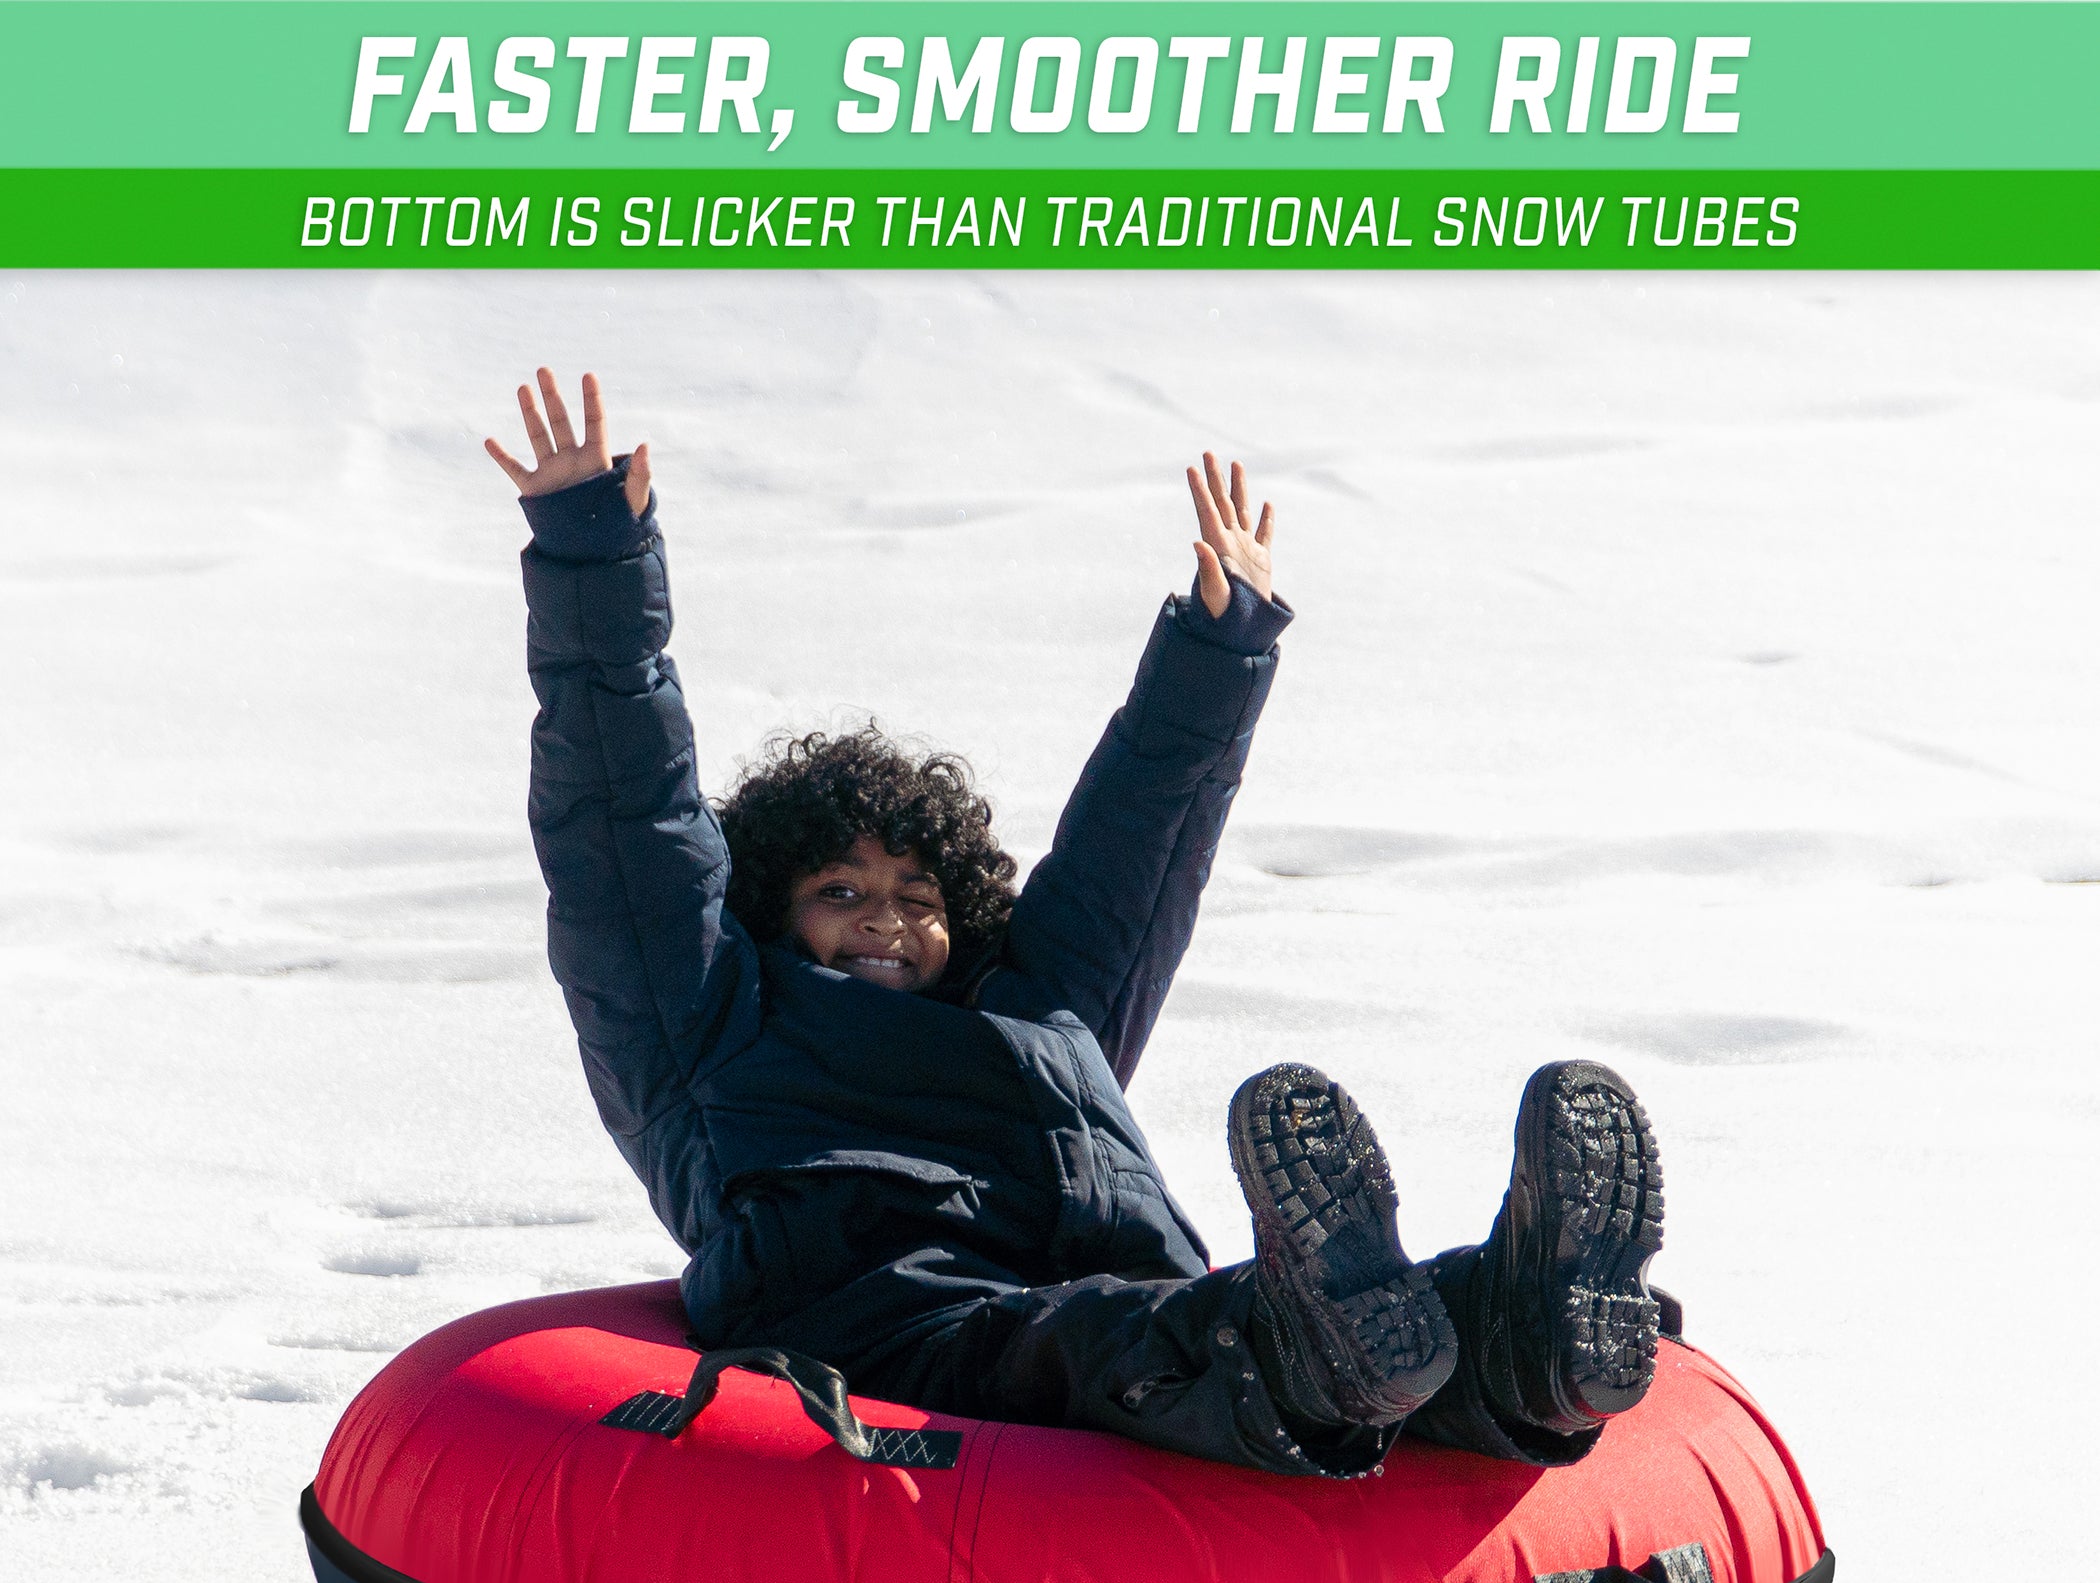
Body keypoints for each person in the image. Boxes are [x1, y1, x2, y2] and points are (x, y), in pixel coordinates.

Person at [487, 369, 1664, 1481]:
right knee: (1107, 1341)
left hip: (1143, 1303)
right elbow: (621, 823)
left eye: (917, 896)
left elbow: (1139, 849)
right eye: (840, 893)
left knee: (1205, 1322)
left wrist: (1221, 644)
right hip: (898, 1338)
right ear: (767, 914)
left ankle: (1523, 1336)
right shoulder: (708, 1024)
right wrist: (597, 556)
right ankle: (1317, 1348)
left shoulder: (1043, 1012)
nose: (886, 922)